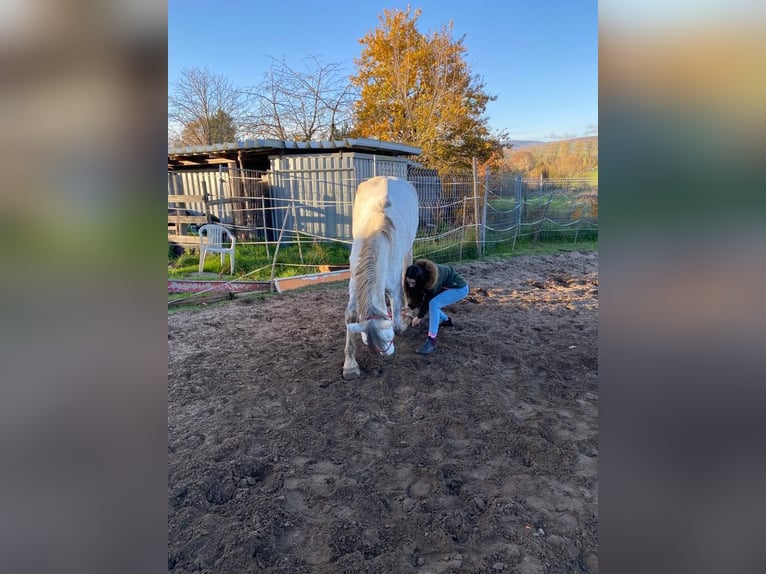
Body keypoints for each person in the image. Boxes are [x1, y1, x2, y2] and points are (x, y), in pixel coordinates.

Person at [404, 258, 469, 355]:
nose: (410, 285)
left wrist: (419, 317)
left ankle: (431, 341)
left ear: (420, 279)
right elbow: (419, 296)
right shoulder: (419, 273)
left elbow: (427, 300)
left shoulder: (432, 280)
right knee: (433, 305)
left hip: (459, 288)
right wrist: (409, 307)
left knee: (433, 304)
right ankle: (446, 321)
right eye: (408, 282)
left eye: (413, 283)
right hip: (446, 286)